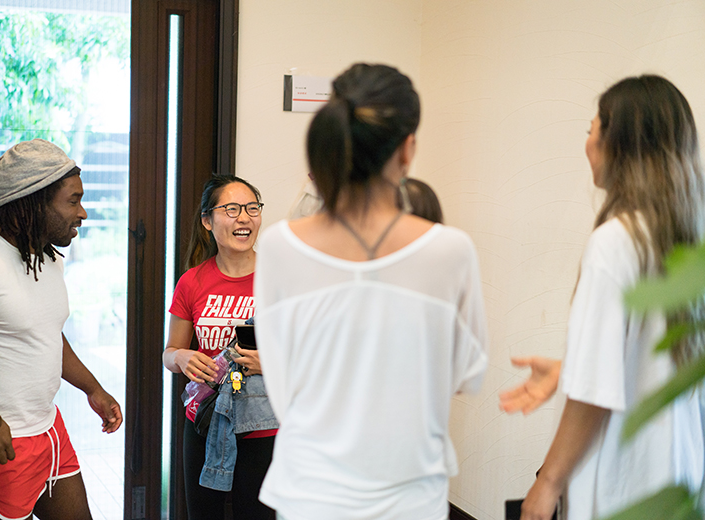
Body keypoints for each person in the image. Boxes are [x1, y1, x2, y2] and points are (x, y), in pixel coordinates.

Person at [253, 63, 489, 520]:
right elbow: (468, 375)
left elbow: (280, 376)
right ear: (408, 149)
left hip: (309, 492)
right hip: (410, 496)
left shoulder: (282, 245)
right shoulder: (450, 250)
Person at [520, 75, 705, 520]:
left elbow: (595, 396)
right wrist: (571, 369)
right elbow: (658, 362)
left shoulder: (615, 243)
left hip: (624, 484)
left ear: (616, 144)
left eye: (591, 130)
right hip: (681, 477)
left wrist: (547, 484)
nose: (587, 143)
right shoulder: (688, 239)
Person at [0, 138, 123, 520]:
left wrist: (92, 388)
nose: (82, 212)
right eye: (72, 200)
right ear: (32, 201)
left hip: (48, 428)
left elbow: (45, 333)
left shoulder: (46, 258)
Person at [162, 175, 276, 520]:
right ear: (207, 220)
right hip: (205, 422)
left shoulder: (281, 278)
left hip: (264, 427)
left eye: (252, 208)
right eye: (232, 209)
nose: (244, 217)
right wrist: (182, 358)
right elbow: (170, 352)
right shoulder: (192, 281)